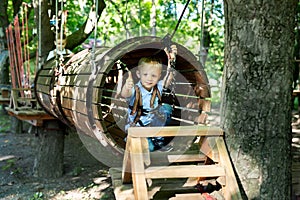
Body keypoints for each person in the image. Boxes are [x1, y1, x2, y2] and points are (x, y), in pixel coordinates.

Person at [121, 45, 177, 151]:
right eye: (145, 74)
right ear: (138, 74)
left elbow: (168, 78)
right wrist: (127, 87)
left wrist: (172, 59)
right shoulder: (136, 89)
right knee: (149, 149)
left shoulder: (158, 87)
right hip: (137, 127)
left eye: (153, 76)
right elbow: (125, 94)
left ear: (159, 76)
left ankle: (158, 140)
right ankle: (145, 143)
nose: (149, 79)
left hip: (152, 124)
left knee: (166, 108)